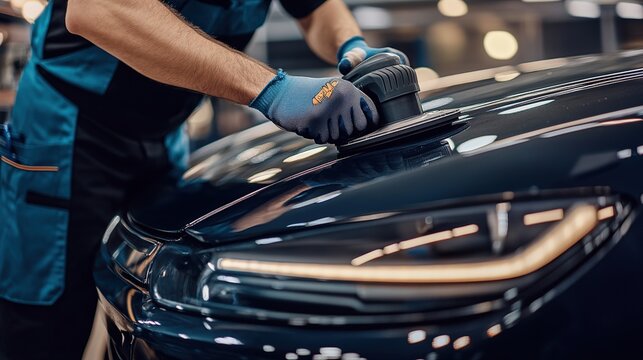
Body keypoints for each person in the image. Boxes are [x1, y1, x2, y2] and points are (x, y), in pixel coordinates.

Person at [0, 0, 408, 358]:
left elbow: (315, 8)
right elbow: (98, 9)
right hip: (68, 132)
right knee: (43, 325)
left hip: (164, 135)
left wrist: (351, 45)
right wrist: (272, 91)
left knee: (147, 304)